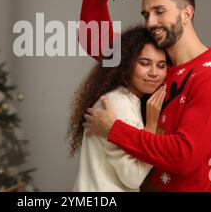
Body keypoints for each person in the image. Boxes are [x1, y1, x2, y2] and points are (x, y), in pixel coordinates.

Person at [80, 0, 211, 192]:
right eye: (146, 14)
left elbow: (183, 155)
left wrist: (114, 129)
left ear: (187, 13)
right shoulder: (156, 63)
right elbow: (94, 40)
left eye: (159, 11)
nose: (150, 22)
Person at [68, 25, 167, 191]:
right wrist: (152, 127)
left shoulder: (123, 100)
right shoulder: (119, 105)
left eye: (161, 65)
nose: (154, 73)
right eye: (144, 63)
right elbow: (133, 178)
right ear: (126, 65)